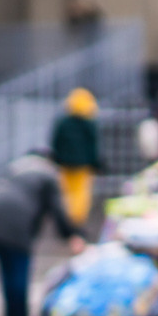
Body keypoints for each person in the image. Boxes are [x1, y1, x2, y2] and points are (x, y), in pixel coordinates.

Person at [0, 150, 87, 316]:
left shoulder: (19, 165)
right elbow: (58, 211)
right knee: (18, 272)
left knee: (7, 270)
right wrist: (73, 234)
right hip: (13, 223)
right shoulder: (49, 174)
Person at [50, 87, 101, 229]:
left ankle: (66, 218)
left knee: (66, 192)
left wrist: (57, 158)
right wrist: (95, 162)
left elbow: (56, 141)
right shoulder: (89, 123)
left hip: (65, 163)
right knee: (81, 193)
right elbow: (93, 145)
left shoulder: (63, 122)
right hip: (82, 164)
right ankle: (77, 220)